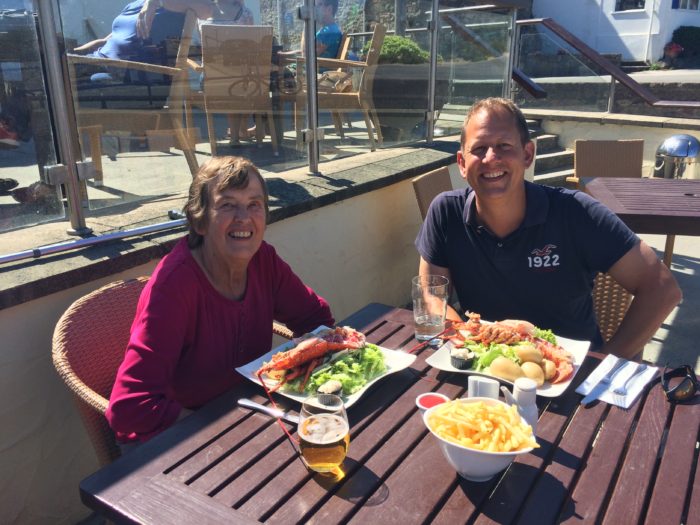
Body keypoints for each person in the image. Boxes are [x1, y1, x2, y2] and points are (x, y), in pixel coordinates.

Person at [415, 97, 681, 360]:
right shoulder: (446, 212)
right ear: (462, 163)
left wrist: (604, 367)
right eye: (479, 148)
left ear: (527, 154)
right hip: (487, 364)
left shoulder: (576, 212)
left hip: (570, 374)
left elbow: (662, 289)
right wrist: (464, 340)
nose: (491, 158)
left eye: (504, 146)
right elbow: (430, 292)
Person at [106, 156, 334, 444]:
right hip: (175, 439)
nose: (244, 218)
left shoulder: (264, 260)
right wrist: (217, 433)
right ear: (199, 221)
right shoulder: (174, 286)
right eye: (227, 205)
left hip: (247, 414)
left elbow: (315, 318)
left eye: (254, 204)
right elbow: (129, 407)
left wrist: (297, 371)